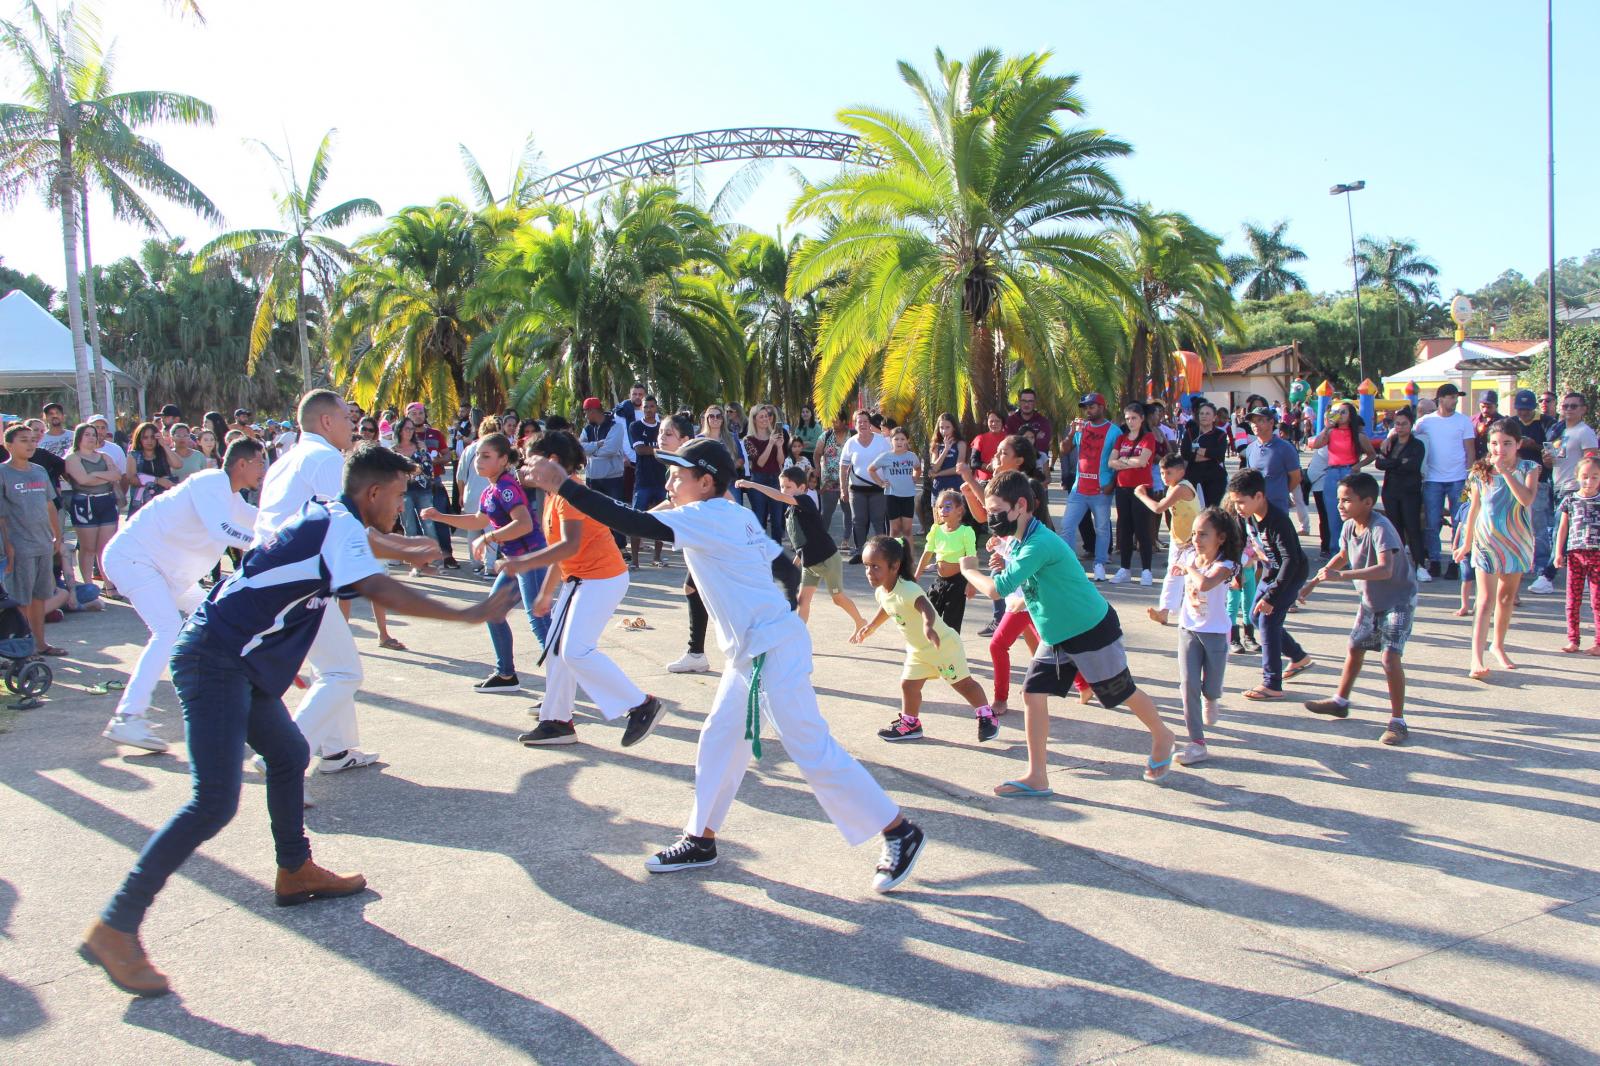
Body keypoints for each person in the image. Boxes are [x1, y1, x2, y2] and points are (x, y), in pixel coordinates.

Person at [79, 443, 517, 999]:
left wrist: (402, 549)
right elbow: (376, 585)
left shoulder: (333, 519)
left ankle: (295, 869)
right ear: (374, 493)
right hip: (216, 660)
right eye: (400, 496)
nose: (403, 506)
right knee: (213, 801)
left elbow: (358, 550)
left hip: (241, 660)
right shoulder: (337, 526)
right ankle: (116, 926)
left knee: (287, 754)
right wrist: (468, 612)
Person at [522, 438, 926, 892]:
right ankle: (700, 839)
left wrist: (562, 484)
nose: (670, 482)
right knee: (718, 741)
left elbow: (628, 519)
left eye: (679, 475)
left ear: (706, 482)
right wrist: (778, 610)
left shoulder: (707, 516)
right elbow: (785, 569)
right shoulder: (737, 515)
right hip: (756, 652)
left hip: (770, 654)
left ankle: (898, 830)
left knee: (811, 749)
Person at [960, 470, 1178, 796]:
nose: (991, 518)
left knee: (1121, 692)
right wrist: (1002, 564)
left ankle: (1163, 735)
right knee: (1033, 694)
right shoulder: (1021, 541)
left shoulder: (1039, 543)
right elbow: (1024, 582)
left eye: (996, 511)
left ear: (1020, 506)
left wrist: (969, 570)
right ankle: (1038, 776)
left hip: (1090, 630)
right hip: (1056, 635)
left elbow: (997, 590)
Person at [255, 390, 438, 775]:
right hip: (299, 584)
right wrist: (406, 549)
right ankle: (282, 755)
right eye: (345, 418)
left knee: (332, 668)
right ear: (325, 422)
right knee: (344, 672)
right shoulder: (324, 460)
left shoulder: (285, 461)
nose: (351, 424)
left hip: (284, 582)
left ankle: (336, 750)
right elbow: (349, 527)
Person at [100, 439, 266, 752]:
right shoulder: (210, 480)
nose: (263, 470)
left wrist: (298, 527)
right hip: (135, 560)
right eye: (260, 462)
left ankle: (225, 707)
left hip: (165, 574)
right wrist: (267, 546)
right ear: (242, 464)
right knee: (167, 630)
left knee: (215, 620)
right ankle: (127, 717)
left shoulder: (230, 496)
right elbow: (223, 530)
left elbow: (258, 519)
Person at [501, 431, 661, 747]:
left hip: (601, 579)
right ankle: (557, 721)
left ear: (553, 462)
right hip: (582, 580)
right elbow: (562, 554)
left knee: (575, 651)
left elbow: (568, 545)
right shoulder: (554, 495)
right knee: (559, 651)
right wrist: (546, 593)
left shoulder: (569, 497)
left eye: (530, 461)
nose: (524, 468)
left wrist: (524, 563)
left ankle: (641, 705)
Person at [422, 433, 551, 693]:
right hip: (516, 562)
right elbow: (479, 520)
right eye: (477, 455)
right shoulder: (491, 489)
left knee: (540, 622)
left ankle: (564, 681)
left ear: (504, 460)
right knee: (493, 612)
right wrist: (440, 516)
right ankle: (505, 675)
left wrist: (490, 537)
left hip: (531, 560)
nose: (478, 461)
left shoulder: (506, 488)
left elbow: (524, 524)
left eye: (486, 456)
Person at [1299, 472, 1418, 745]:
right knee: (1355, 647)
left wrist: (1343, 576)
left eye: (1346, 501)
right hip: (1371, 600)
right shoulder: (1350, 525)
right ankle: (1340, 701)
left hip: (1398, 600)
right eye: (1339, 500)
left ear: (1367, 502)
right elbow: (1342, 556)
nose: (1340, 505)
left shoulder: (1380, 528)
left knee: (1389, 658)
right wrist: (1313, 583)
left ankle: (1398, 721)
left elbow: (1386, 569)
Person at [852, 534, 997, 743]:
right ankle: (911, 724)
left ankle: (986, 716)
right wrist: (871, 626)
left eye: (875, 567)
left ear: (894, 566)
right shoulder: (882, 591)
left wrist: (929, 626)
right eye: (866, 566)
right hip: (918, 651)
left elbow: (925, 605)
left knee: (963, 684)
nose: (869, 572)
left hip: (941, 645)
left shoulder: (908, 588)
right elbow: (887, 606)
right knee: (908, 686)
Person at [1455, 418, 1541, 681]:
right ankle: (1476, 658)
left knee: (1506, 598)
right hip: (1486, 541)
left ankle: (1498, 645)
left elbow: (1526, 499)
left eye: (1506, 443)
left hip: (1516, 541)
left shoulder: (1529, 468)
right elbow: (1474, 510)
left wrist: (1505, 472)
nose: (1499, 449)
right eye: (1494, 443)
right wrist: (1466, 543)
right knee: (1484, 601)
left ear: (1518, 444)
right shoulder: (1480, 471)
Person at [737, 467, 866, 630]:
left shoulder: (805, 501)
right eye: (782, 487)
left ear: (802, 488)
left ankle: (860, 621)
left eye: (788, 487)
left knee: (837, 598)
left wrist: (752, 484)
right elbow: (802, 544)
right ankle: (799, 634)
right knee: (803, 601)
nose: (784, 491)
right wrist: (795, 564)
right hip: (810, 564)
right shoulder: (789, 514)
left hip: (827, 560)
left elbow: (779, 496)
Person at [1229, 467, 1313, 701]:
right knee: (1256, 617)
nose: (1238, 507)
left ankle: (1272, 683)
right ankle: (1298, 657)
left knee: (1267, 620)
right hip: (1271, 571)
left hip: (1291, 574)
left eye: (1242, 502)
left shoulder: (1278, 521)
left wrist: (1271, 597)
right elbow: (1240, 542)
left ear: (1259, 496)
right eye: (1235, 502)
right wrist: (1236, 571)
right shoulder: (1245, 516)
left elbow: (1291, 561)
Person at [1169, 507, 1241, 766]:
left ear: (1220, 538)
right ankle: (1197, 743)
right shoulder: (1191, 557)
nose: (1196, 540)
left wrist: (1188, 568)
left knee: (1210, 687)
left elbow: (1205, 584)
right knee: (1188, 686)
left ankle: (1212, 697)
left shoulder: (1225, 565)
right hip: (1188, 630)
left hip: (1215, 633)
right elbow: (1182, 576)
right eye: (1194, 534)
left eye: (1203, 535)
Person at [0, 425, 65, 657]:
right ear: (9, 445)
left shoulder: (38, 471)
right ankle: (22, 647)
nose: (30, 444)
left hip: (43, 544)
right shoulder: (3, 473)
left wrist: (57, 535)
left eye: (32, 440)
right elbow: (1, 516)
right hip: (19, 546)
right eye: (23, 440)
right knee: (22, 599)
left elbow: (50, 504)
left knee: (40, 597)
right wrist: (8, 547)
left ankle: (40, 643)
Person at [1535, 391, 1600, 594]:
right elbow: (1557, 460)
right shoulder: (1560, 431)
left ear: (1583, 410)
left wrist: (1586, 487)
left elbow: (1591, 461)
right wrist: (1547, 460)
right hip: (1558, 484)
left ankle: (1547, 575)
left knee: (1559, 532)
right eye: (1565, 406)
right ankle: (1587, 575)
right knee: (1561, 531)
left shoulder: (1584, 432)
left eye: (1573, 406)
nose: (1568, 410)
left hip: (1574, 488)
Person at [1414, 383, 1476, 580]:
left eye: (1456, 397)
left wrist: (1470, 477)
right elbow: (1408, 437)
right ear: (1440, 399)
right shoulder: (1425, 422)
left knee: (1460, 522)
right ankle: (1434, 560)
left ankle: (1455, 562)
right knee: (1432, 523)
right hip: (1432, 479)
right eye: (1451, 397)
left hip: (1459, 479)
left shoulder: (1464, 421)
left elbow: (1470, 450)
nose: (1455, 401)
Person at [1058, 392, 1120, 581]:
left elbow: (1118, 459)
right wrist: (1071, 432)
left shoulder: (1114, 431)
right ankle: (1070, 564)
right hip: (1079, 488)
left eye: (1091, 407)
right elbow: (1064, 450)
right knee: (1067, 526)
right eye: (1085, 407)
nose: (1088, 411)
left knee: (1102, 528)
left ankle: (1100, 563)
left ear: (1102, 407)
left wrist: (1112, 483)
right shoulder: (1081, 429)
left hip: (1101, 489)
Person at [1138, 453, 1198, 625]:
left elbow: (1158, 508)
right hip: (1179, 539)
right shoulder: (1173, 487)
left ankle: (1193, 612)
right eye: (1162, 473)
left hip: (1194, 541)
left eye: (1169, 473)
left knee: (1190, 578)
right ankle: (1164, 612)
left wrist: (1141, 494)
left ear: (1181, 472)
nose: (1164, 477)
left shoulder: (1182, 488)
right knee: (1173, 575)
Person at [64, 423, 120, 592]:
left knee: (105, 547)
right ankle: (88, 585)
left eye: (93, 435)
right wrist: (105, 477)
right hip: (84, 504)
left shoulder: (104, 456)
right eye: (87, 434)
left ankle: (108, 584)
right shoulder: (72, 458)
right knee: (88, 548)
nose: (91, 438)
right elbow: (83, 480)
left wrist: (95, 474)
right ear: (79, 437)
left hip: (107, 502)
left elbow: (116, 475)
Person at [1374, 406, 1428, 581]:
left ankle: (1420, 565)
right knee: (1394, 528)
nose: (1400, 427)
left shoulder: (1417, 444)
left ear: (1411, 425)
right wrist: (1398, 462)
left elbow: (1412, 465)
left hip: (1410, 491)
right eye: (1397, 424)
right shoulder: (1390, 443)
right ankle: (1397, 565)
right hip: (1391, 490)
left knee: (1412, 528)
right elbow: (1379, 464)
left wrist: (1392, 463)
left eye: (1404, 424)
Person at [1553, 455, 1600, 655]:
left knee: (1597, 600)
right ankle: (1573, 639)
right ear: (1577, 476)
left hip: (1597, 555)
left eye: (1595, 477)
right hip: (1575, 555)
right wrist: (1558, 553)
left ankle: (1598, 642)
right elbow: (1562, 528)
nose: (1589, 481)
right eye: (1585, 476)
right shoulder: (1570, 500)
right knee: (1573, 599)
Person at [404, 402, 459, 569]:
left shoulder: (435, 434)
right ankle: (421, 558)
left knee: (440, 519)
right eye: (413, 413)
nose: (417, 416)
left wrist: (436, 461)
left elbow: (447, 454)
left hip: (434, 483)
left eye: (420, 413)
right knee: (413, 522)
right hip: (411, 486)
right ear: (407, 416)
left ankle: (447, 555)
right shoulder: (405, 436)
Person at [1108, 402, 1158, 585]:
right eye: (1128, 418)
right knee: (1125, 529)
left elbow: (1143, 461)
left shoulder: (1148, 438)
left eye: (1134, 418)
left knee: (1143, 530)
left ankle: (1146, 570)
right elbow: (1111, 462)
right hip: (1122, 488)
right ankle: (1125, 568)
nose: (1130, 422)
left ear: (1142, 418)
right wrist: (1127, 461)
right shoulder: (1121, 439)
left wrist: (1124, 461)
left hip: (1142, 489)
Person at [915, 488, 977, 631]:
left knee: (951, 623)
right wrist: (917, 575)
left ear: (959, 510)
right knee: (929, 617)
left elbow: (972, 558)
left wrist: (971, 584)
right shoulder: (936, 529)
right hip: (939, 581)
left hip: (958, 583)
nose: (943, 510)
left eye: (948, 506)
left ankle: (952, 651)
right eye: (940, 507)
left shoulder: (966, 532)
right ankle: (932, 649)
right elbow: (927, 552)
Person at [840, 410, 890, 560]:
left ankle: (882, 552)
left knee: (878, 520)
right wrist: (843, 489)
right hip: (856, 490)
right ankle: (860, 551)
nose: (862, 424)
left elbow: (890, 463)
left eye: (865, 421)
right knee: (858, 520)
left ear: (870, 424)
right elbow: (843, 468)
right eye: (859, 422)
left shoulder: (881, 441)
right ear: (855, 425)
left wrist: (889, 483)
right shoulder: (850, 443)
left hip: (878, 490)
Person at [627, 395, 668, 566]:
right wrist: (660, 450)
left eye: (651, 406)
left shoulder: (662, 427)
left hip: (661, 480)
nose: (649, 410)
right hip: (643, 480)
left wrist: (657, 450)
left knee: (661, 520)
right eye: (646, 407)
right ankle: (635, 561)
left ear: (656, 407)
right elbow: (640, 450)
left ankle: (657, 558)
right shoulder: (635, 426)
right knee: (637, 520)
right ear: (641, 409)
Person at [1240, 406, 1301, 516]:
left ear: (1271, 422)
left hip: (1278, 508)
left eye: (1260, 420)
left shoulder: (1285, 448)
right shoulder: (1250, 448)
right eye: (1253, 422)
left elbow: (1296, 477)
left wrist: (1281, 492)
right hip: (1256, 509)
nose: (1255, 425)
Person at [742, 403, 788, 542]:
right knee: (760, 519)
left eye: (767, 416)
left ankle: (777, 555)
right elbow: (760, 463)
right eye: (761, 416)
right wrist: (770, 443)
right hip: (758, 480)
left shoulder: (775, 435)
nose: (765, 419)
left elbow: (781, 461)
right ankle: (759, 551)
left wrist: (779, 447)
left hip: (775, 478)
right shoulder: (748, 440)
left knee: (777, 520)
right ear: (754, 419)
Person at [868, 425, 921, 540]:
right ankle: (893, 556)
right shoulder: (886, 456)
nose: (899, 442)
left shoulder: (912, 456)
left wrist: (915, 477)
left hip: (908, 496)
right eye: (896, 439)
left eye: (902, 439)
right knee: (895, 530)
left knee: (907, 530)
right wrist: (881, 483)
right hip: (891, 496)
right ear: (891, 441)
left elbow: (918, 468)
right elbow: (871, 469)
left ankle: (909, 557)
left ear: (907, 441)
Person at [813, 411, 852, 549]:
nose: (834, 424)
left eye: (836, 421)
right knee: (826, 512)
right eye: (832, 421)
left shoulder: (852, 436)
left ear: (844, 421)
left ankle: (846, 540)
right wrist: (817, 468)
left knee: (848, 511)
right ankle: (821, 538)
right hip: (828, 482)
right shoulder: (826, 436)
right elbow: (817, 454)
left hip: (848, 482)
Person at [1180, 401, 1229, 509]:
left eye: (1207, 414)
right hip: (1194, 477)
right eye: (1201, 413)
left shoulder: (1220, 435)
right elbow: (1185, 454)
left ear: (1214, 417)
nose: (1204, 416)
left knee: (1213, 511)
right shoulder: (1190, 432)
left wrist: (1197, 450)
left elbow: (1219, 455)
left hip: (1215, 478)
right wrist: (1210, 454)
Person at [125, 422, 176, 515]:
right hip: (141, 503)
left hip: (163, 500)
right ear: (139, 439)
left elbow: (178, 464)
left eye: (153, 437)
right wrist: (157, 480)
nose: (149, 440)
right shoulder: (133, 455)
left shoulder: (163, 453)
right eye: (145, 437)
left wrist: (164, 445)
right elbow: (131, 479)